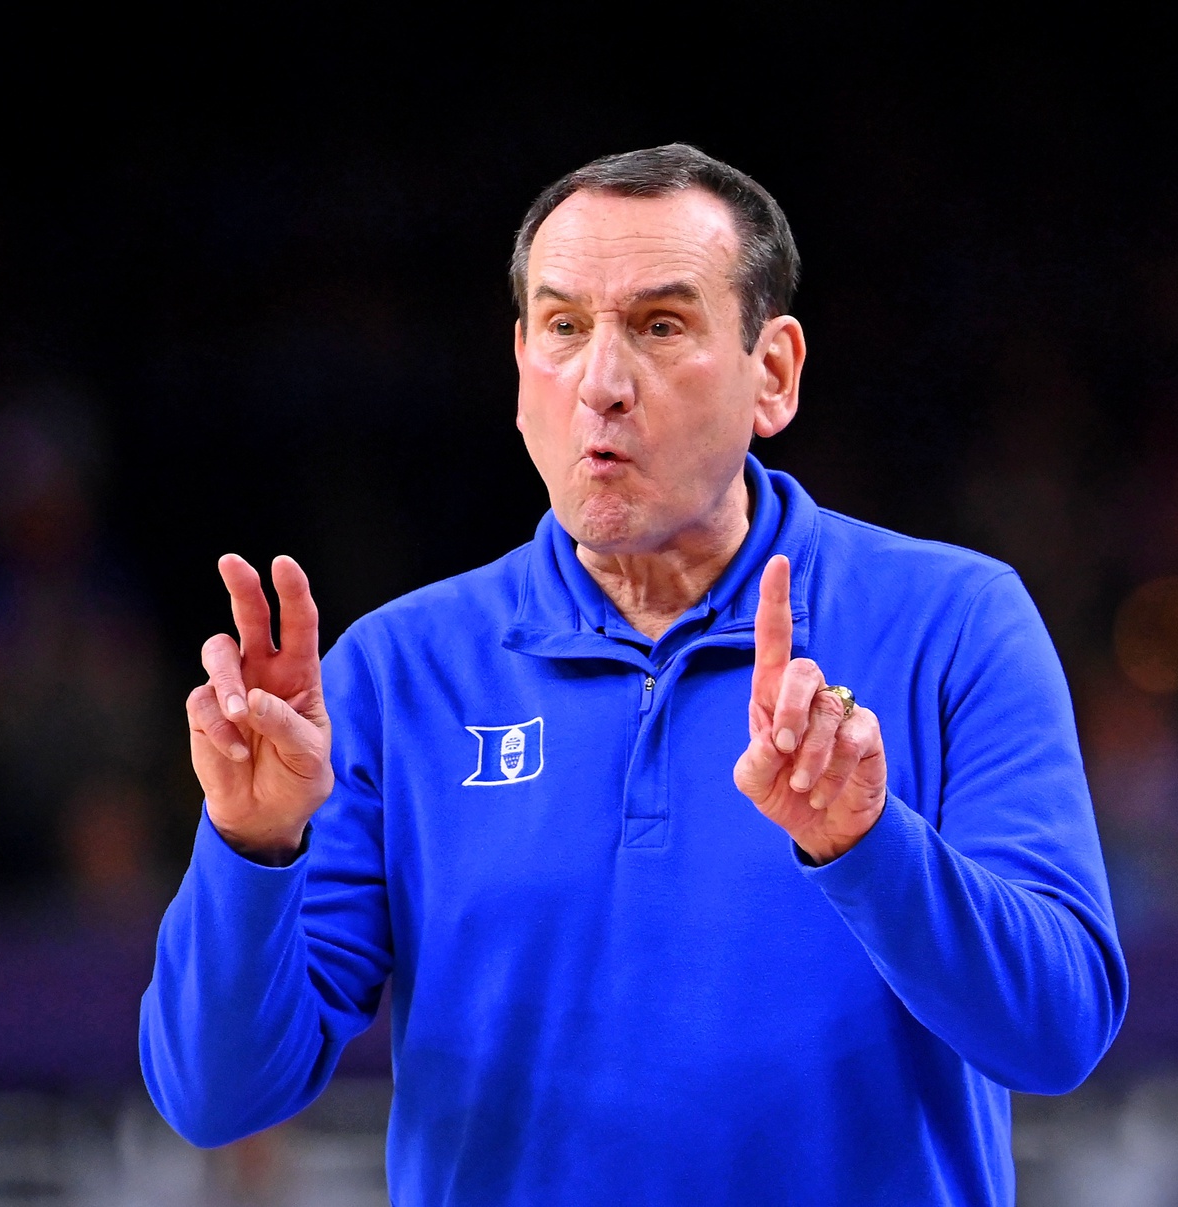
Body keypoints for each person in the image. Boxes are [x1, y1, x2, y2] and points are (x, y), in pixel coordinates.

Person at [140, 144, 1127, 1205]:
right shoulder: (393, 673)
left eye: (660, 325)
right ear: (520, 369)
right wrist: (250, 846)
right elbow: (213, 1097)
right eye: (563, 328)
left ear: (773, 373)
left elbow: (1056, 1034)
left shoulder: (954, 621)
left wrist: (866, 845)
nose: (601, 384)